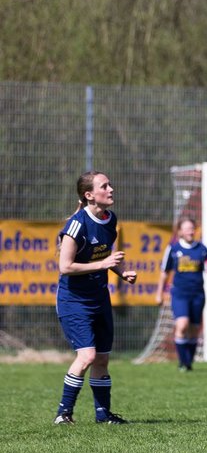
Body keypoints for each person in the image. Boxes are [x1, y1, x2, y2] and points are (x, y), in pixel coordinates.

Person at [52, 171, 137, 425]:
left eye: (110, 184)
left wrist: (122, 272)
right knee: (87, 356)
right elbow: (65, 267)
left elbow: (104, 256)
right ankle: (63, 414)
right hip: (74, 301)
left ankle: (103, 415)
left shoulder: (110, 219)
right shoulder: (77, 225)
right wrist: (105, 264)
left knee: (102, 358)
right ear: (89, 195)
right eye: (104, 186)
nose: (111, 189)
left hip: (99, 298)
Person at [156, 217, 207, 371]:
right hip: (179, 294)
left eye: (192, 228)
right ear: (180, 231)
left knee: (193, 329)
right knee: (182, 324)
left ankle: (188, 362)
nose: (190, 231)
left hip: (198, 294)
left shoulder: (203, 249)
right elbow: (164, 273)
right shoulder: (173, 249)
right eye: (186, 228)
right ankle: (182, 362)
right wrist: (159, 293)